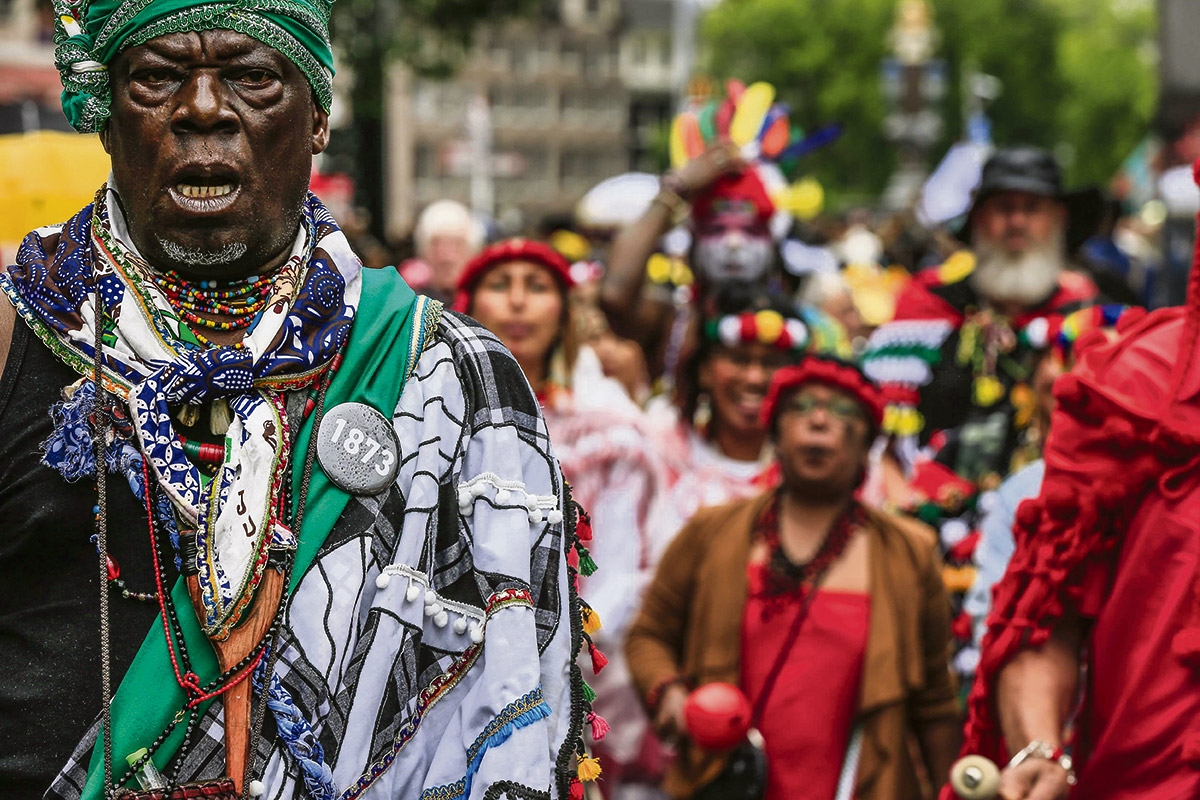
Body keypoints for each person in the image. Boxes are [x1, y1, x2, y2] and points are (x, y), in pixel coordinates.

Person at [0, 4, 589, 799]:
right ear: (104, 116)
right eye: (156, 77)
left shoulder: (444, 373)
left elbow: (509, 708)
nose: (203, 110)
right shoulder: (19, 329)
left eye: (251, 77)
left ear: (316, 119)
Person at [626, 356, 960, 800]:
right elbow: (649, 634)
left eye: (842, 411)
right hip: (726, 784)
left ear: (867, 443)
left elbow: (936, 703)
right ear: (775, 433)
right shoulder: (711, 532)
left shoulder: (909, 553)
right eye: (801, 407)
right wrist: (670, 697)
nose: (819, 420)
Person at [455, 237, 664, 799]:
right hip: (453, 676)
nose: (518, 304)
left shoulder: (611, 435)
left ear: (565, 314)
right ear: (466, 308)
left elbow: (618, 578)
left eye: (538, 288)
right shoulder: (436, 424)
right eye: (501, 286)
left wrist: (544, 657)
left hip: (570, 675)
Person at [864, 147, 1102, 484]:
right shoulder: (927, 303)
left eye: (1032, 208)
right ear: (978, 218)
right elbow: (882, 435)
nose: (1017, 222)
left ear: (1059, 218)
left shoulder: (1088, 311)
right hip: (932, 507)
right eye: (1003, 208)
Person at [643, 294, 811, 545]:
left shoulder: (813, 471)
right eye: (739, 359)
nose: (754, 378)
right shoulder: (655, 447)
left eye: (772, 363)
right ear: (705, 370)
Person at [398, 199, 485, 305]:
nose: (447, 258)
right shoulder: (411, 305)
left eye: (457, 244)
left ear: (473, 251)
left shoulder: (482, 304)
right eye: (437, 245)